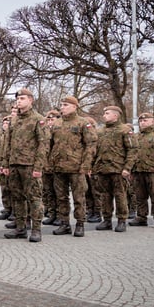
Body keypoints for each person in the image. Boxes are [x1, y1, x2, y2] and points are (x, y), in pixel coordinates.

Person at [0, 88, 49, 243]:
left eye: (22, 98)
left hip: (30, 165)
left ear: (30, 100)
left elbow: (43, 144)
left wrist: (38, 167)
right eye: (18, 99)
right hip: (14, 164)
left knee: (34, 198)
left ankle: (36, 229)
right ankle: (20, 227)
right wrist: (5, 163)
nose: (19, 101)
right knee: (17, 197)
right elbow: (7, 142)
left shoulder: (38, 119)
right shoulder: (14, 120)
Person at [49, 96, 97, 238]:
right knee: (61, 197)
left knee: (79, 197)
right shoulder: (56, 124)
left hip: (77, 167)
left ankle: (80, 224)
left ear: (74, 106)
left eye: (65, 105)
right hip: (59, 167)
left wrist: (86, 165)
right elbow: (50, 144)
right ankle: (64, 223)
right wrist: (50, 162)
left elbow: (91, 145)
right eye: (61, 105)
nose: (62, 107)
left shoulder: (83, 123)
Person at [92, 106, 136, 232]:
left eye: (107, 113)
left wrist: (127, 168)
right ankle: (106, 220)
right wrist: (93, 167)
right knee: (105, 196)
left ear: (115, 115)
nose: (104, 115)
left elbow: (132, 150)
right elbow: (95, 151)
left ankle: (122, 220)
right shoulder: (100, 131)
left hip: (118, 169)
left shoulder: (124, 130)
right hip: (102, 169)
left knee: (120, 195)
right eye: (104, 113)